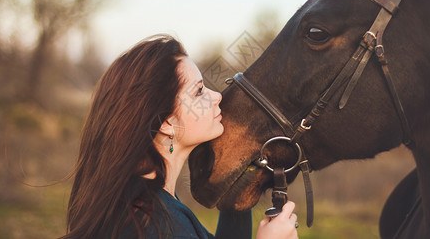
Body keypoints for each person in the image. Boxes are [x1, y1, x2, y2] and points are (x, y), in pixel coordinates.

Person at [60, 34, 299, 239]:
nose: (217, 96)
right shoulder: (162, 226)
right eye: (199, 91)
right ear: (166, 123)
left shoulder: (141, 203)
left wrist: (236, 193)